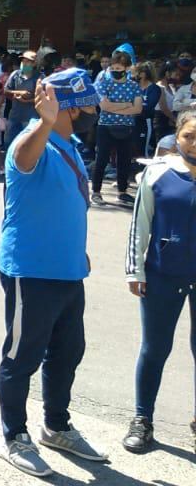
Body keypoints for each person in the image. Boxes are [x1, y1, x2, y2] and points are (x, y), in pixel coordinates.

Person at [0, 70, 106, 478]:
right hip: (33, 270)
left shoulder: (70, 145)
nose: (93, 111)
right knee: (21, 356)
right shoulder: (34, 140)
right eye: (87, 105)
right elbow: (23, 160)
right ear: (67, 107)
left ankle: (56, 426)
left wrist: (79, 253)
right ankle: (14, 436)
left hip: (68, 271)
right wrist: (43, 120)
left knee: (68, 351)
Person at [122, 108, 196, 453]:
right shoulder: (157, 173)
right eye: (189, 136)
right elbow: (141, 225)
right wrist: (135, 270)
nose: (194, 144)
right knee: (155, 349)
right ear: (176, 137)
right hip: (162, 274)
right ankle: (142, 419)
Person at [92, 52, 143, 204]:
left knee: (124, 160)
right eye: (113, 67)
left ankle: (122, 191)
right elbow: (104, 106)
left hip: (126, 127)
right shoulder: (104, 83)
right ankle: (96, 191)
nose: (115, 70)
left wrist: (115, 107)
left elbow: (138, 109)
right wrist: (127, 105)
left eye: (119, 67)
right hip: (105, 127)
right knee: (101, 159)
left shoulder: (133, 86)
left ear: (126, 68)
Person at [4, 51, 41, 146]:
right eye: (23, 60)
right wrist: (19, 93)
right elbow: (5, 91)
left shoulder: (40, 77)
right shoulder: (15, 74)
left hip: (31, 118)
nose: (24, 63)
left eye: (28, 61)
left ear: (34, 64)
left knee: (28, 145)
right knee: (9, 143)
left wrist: (27, 100)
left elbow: (43, 98)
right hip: (15, 115)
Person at [134, 61, 162, 159]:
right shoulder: (133, 86)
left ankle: (142, 170)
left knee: (142, 149)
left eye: (138, 72)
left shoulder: (154, 89)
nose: (135, 75)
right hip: (130, 121)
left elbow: (148, 106)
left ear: (145, 73)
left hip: (145, 122)